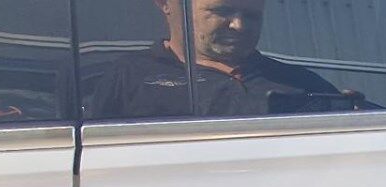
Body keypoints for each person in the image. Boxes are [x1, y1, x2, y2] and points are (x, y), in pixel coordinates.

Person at [89, 0, 364, 119]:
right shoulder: (128, 78)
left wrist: (355, 119)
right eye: (221, 11)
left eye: (252, 15)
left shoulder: (303, 84)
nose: (239, 26)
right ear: (165, 4)